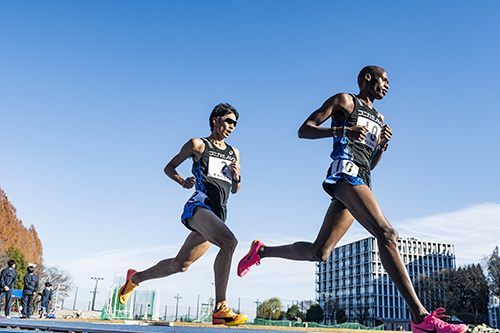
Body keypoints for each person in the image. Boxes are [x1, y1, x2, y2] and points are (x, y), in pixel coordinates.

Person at [237, 66, 468, 333]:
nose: (388, 86)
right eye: (385, 80)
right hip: (344, 174)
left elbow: (370, 164)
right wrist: (342, 132)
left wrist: (381, 145)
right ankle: (420, 318)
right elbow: (304, 129)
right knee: (388, 234)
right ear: (367, 79)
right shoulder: (345, 101)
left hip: (362, 178)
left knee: (319, 252)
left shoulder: (379, 117)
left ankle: (261, 251)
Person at [118, 103, 248, 326]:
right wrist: (182, 181)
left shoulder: (234, 152)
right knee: (229, 242)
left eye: (235, 123)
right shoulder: (197, 144)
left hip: (218, 214)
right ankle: (220, 309)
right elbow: (169, 167)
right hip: (199, 207)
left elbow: (234, 190)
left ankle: (134, 278)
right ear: (215, 119)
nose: (232, 126)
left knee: (180, 265)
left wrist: (237, 178)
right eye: (228, 121)